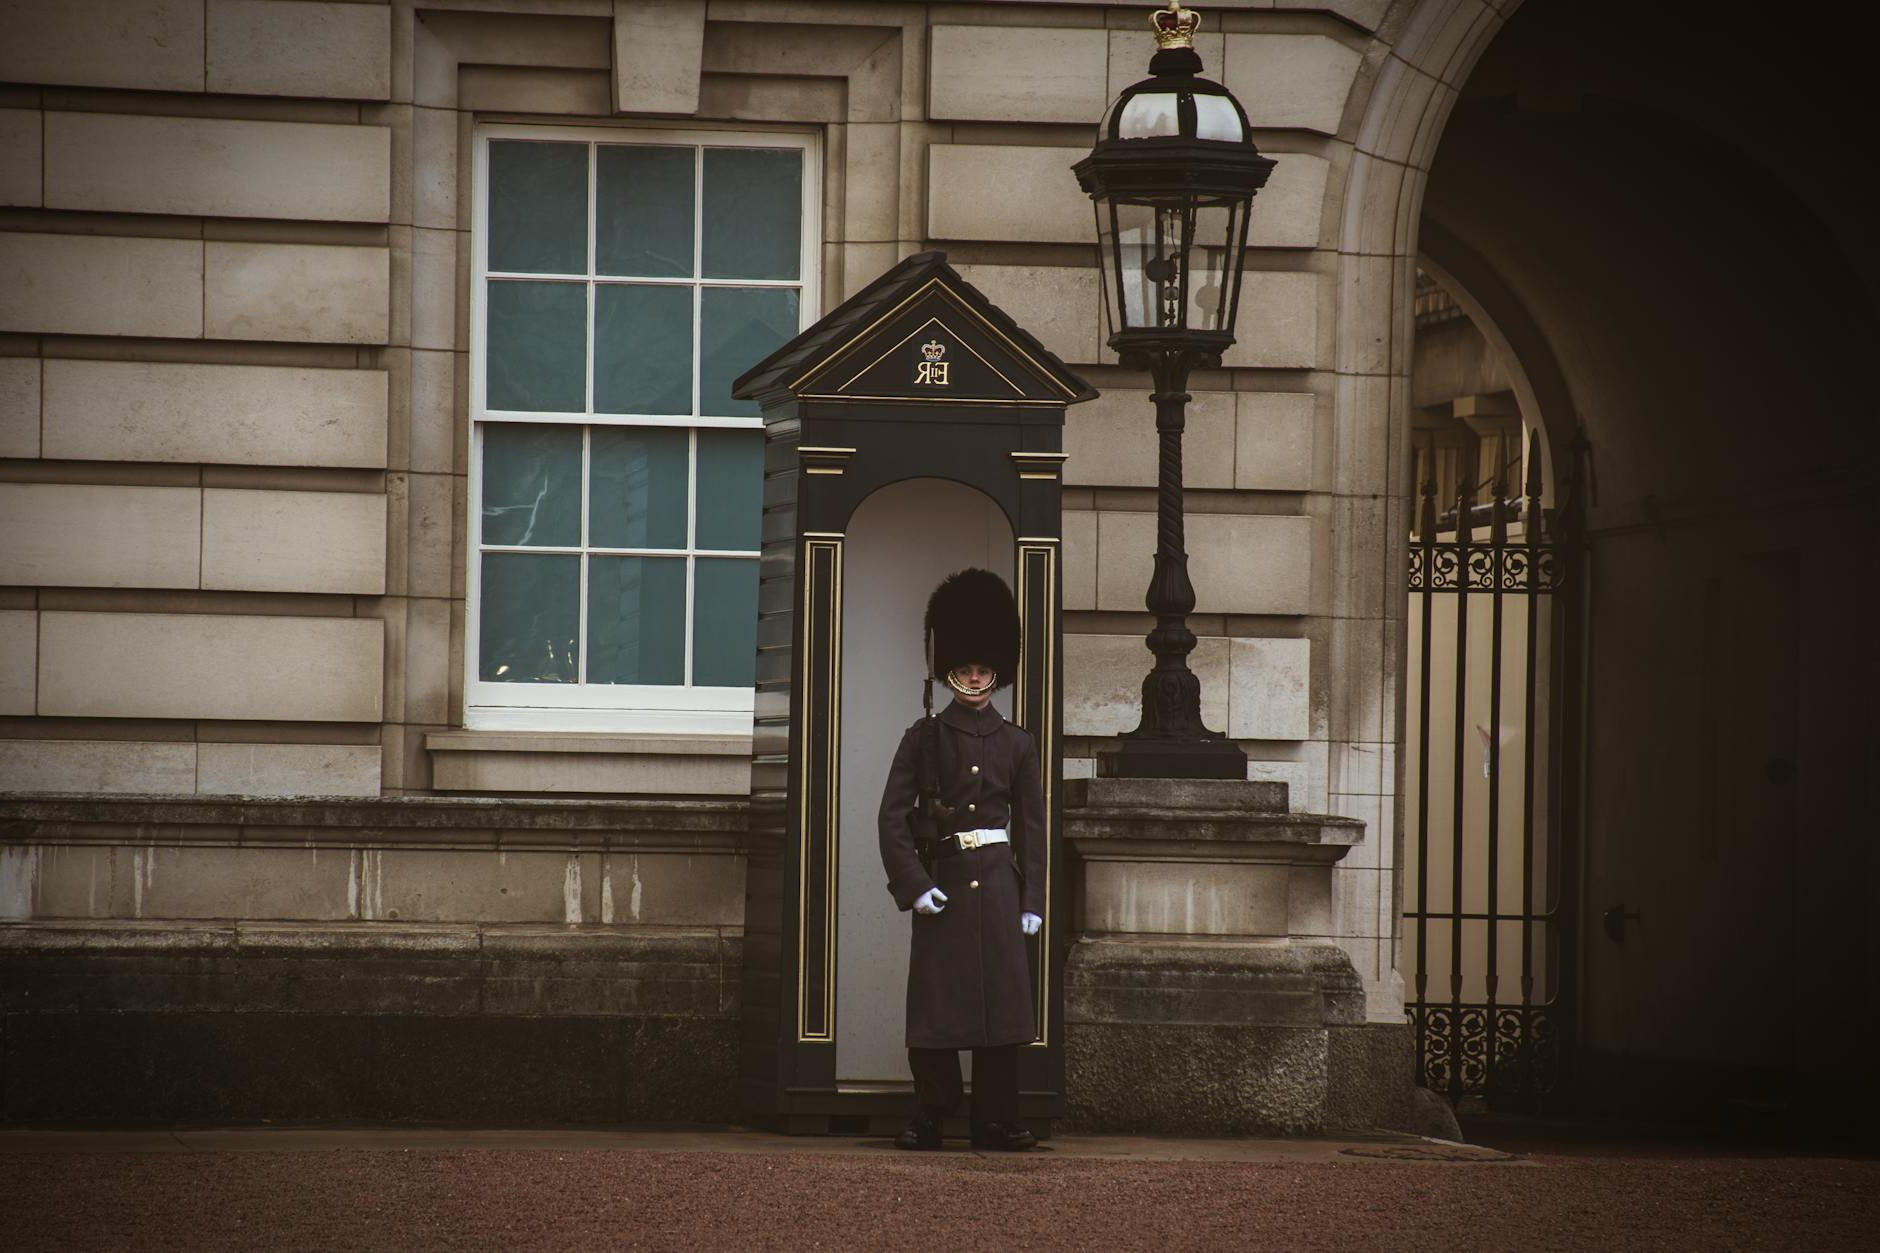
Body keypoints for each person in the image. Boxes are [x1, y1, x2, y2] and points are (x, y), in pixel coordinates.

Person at [876, 567, 1046, 1151]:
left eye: (982, 668)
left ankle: (994, 1118)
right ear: (948, 669)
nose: (974, 677)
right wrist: (915, 884)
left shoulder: (1017, 743)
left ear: (996, 670)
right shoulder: (923, 738)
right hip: (944, 882)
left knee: (1001, 1004)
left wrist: (1032, 900)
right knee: (937, 1006)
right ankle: (931, 1112)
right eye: (965, 668)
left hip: (998, 884)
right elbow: (892, 818)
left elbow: (1032, 828)